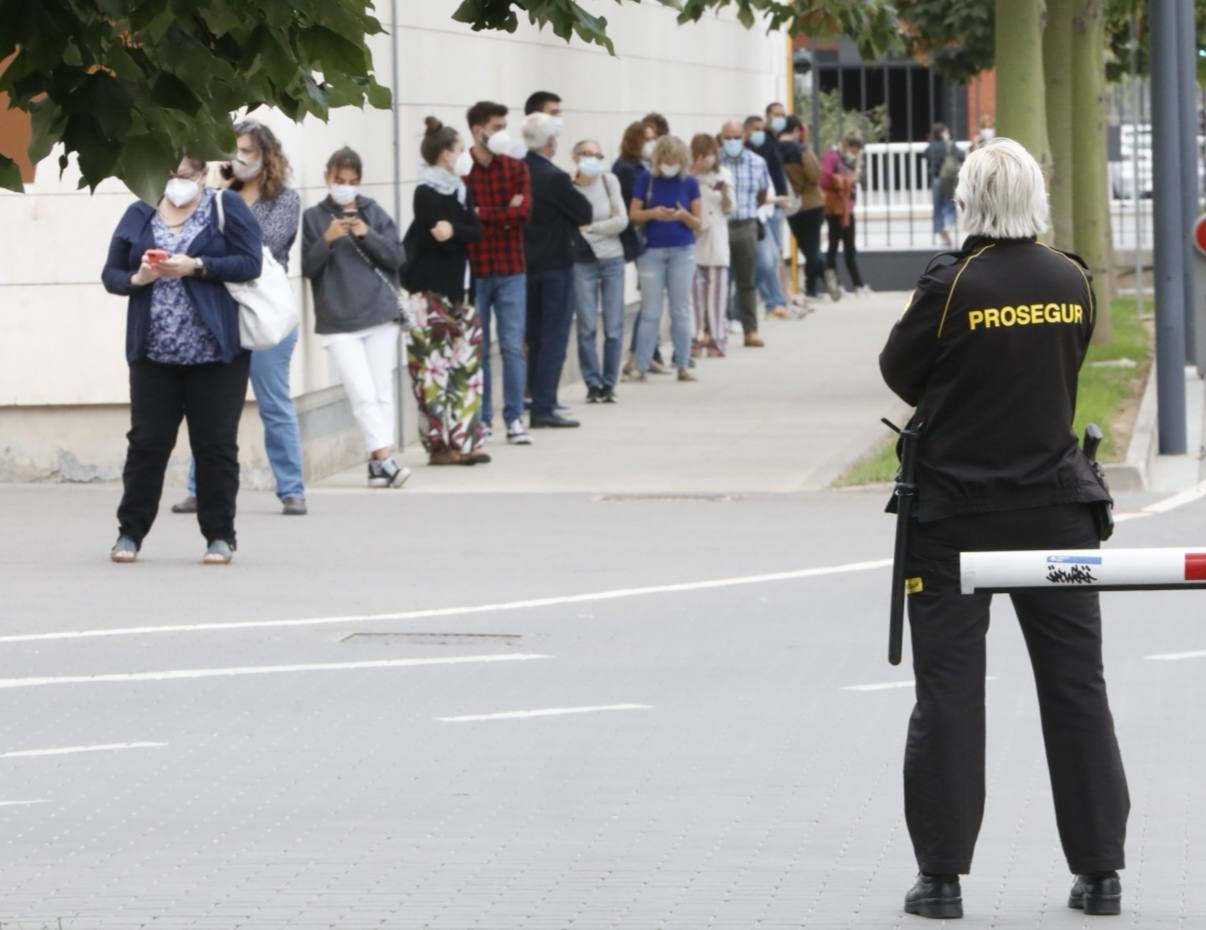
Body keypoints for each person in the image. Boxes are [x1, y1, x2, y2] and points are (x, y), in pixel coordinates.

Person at [878, 138, 1129, 921]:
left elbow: (899, 371)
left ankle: (942, 879)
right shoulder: (1072, 278)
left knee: (949, 694)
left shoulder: (952, 287)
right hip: (1057, 508)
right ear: (1035, 199)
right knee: (1076, 688)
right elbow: (1069, 360)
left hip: (953, 514)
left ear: (969, 199)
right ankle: (1100, 875)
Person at [101, 156, 263, 565]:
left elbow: (250, 262)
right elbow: (111, 274)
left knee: (215, 447)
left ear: (203, 173)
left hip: (216, 354)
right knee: (147, 445)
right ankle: (130, 534)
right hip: (153, 354)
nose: (177, 183)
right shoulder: (139, 212)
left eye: (186, 176)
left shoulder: (226, 208)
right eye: (170, 175)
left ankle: (220, 536)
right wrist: (139, 278)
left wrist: (197, 266)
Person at [172, 121, 306, 518]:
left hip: (265, 314)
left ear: (266, 155)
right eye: (233, 150)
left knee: (274, 402)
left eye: (248, 150)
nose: (239, 158)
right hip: (220, 312)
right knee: (210, 405)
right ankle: (199, 489)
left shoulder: (283, 199)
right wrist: (212, 190)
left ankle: (292, 489)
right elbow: (193, 240)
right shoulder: (212, 195)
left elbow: (261, 246)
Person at [301, 147, 410, 489]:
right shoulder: (314, 218)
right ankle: (385, 459)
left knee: (381, 392)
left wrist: (366, 233)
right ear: (327, 177)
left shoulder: (373, 212)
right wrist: (328, 240)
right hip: (337, 319)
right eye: (338, 180)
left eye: (351, 181)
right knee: (361, 392)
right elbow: (308, 267)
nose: (344, 187)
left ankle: (379, 465)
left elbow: (396, 257)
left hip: (379, 313)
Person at [402, 117, 489, 467]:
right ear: (443, 153)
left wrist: (456, 230)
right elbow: (437, 235)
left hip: (462, 288)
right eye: (457, 149)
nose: (462, 155)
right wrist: (457, 230)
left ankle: (467, 439)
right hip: (431, 290)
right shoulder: (425, 191)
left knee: (466, 365)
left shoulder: (461, 189)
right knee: (433, 369)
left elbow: (474, 231)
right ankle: (440, 445)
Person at [464, 101, 533, 446]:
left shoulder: (516, 168)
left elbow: (524, 214)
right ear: (478, 131)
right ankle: (484, 420)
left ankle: (515, 418)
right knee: (478, 348)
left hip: (510, 268)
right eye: (497, 126)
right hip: (476, 269)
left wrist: (484, 214)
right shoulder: (463, 170)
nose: (502, 133)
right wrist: (503, 212)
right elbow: (466, 220)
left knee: (511, 345)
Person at [522, 112, 593, 428]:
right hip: (555, 263)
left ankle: (533, 397)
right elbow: (583, 211)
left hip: (523, 264)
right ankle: (544, 403)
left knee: (533, 335)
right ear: (550, 142)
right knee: (553, 335)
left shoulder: (518, 170)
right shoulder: (554, 177)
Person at [629, 135, 702, 381]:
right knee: (650, 310)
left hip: (683, 250)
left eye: (675, 160)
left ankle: (683, 364)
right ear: (658, 159)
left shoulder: (690, 182)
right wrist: (653, 213)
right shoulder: (645, 179)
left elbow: (698, 222)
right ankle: (640, 366)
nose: (670, 165)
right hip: (652, 251)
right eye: (666, 160)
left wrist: (682, 215)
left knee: (680, 310)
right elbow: (634, 214)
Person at [570, 139, 628, 403]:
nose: (591, 159)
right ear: (575, 157)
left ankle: (609, 383)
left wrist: (591, 228)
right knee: (586, 326)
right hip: (582, 261)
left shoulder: (609, 181)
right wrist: (606, 223)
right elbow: (571, 224)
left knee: (614, 327)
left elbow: (621, 221)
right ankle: (592, 383)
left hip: (612, 259)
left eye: (597, 154)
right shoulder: (568, 187)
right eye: (585, 154)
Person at [719, 119, 769, 348]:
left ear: (743, 138)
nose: (732, 142)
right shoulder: (715, 162)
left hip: (746, 224)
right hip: (720, 226)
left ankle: (750, 330)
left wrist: (748, 209)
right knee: (719, 280)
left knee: (746, 281)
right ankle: (716, 330)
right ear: (721, 138)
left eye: (736, 137)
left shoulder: (757, 162)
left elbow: (762, 193)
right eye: (727, 137)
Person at [688, 133, 734, 357]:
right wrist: (693, 172)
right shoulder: (686, 176)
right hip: (693, 237)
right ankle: (693, 339)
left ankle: (716, 339)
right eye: (702, 156)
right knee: (692, 293)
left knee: (717, 292)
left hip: (716, 237)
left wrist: (725, 195)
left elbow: (730, 209)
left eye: (710, 156)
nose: (707, 161)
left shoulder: (724, 175)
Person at [748, 108, 792, 318]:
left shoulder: (771, 142)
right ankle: (773, 301)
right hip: (761, 211)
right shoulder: (753, 151)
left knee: (774, 257)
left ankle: (780, 300)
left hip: (772, 208)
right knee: (767, 259)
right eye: (776, 114)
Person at [820, 129, 868, 299]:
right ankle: (835, 285)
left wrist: (855, 172)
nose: (854, 153)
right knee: (833, 245)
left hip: (848, 207)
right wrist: (845, 179)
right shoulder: (832, 157)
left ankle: (858, 284)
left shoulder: (855, 160)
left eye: (857, 150)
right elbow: (824, 179)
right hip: (835, 208)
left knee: (850, 247)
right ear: (846, 144)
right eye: (853, 149)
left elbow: (859, 179)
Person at [780, 115, 825, 301]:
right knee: (812, 247)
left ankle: (817, 279)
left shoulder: (774, 149)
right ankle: (813, 286)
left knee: (805, 247)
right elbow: (815, 175)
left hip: (790, 205)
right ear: (797, 130)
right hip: (811, 202)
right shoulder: (801, 150)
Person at [927, 123, 965, 248]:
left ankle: (941, 231)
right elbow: (961, 156)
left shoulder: (931, 146)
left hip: (936, 178)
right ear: (943, 132)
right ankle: (948, 225)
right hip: (949, 179)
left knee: (937, 206)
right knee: (949, 203)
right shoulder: (950, 145)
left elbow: (925, 155)